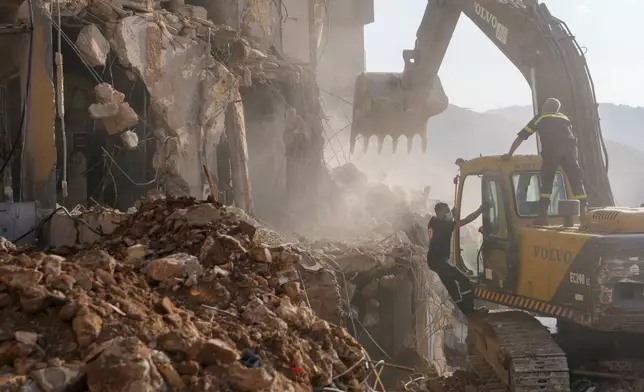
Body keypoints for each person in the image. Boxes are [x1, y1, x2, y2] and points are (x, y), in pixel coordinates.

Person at [501, 97, 587, 225]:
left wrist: (509, 154)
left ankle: (543, 215)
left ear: (545, 107)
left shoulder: (541, 118)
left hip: (553, 150)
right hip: (570, 151)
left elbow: (522, 137)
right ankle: (584, 215)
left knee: (547, 181)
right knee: (576, 181)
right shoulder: (565, 118)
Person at [427, 202, 484, 315]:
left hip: (433, 260)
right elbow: (467, 220)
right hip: (439, 261)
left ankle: (463, 312)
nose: (449, 212)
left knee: (451, 286)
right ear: (440, 212)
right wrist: (480, 210)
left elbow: (444, 219)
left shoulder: (433, 221)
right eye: (446, 210)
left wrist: (452, 212)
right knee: (464, 280)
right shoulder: (443, 225)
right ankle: (470, 311)